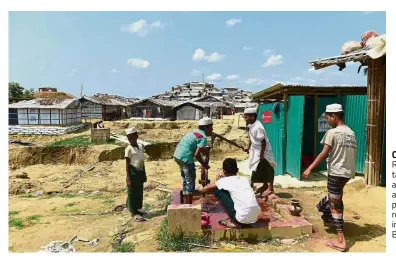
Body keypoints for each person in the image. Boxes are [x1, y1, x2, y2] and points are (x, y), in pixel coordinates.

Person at [302, 103, 357, 252]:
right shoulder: (351, 132)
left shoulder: (333, 133)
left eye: (327, 118)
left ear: (334, 116)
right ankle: (330, 219)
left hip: (336, 172)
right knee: (335, 198)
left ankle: (340, 240)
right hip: (347, 173)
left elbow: (323, 153)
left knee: (335, 204)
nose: (327, 121)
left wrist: (309, 169)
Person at [200, 158, 261, 228]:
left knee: (217, 190)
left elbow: (204, 189)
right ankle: (242, 218)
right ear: (237, 170)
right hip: (255, 217)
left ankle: (233, 222)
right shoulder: (245, 179)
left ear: (224, 171)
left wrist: (217, 180)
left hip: (241, 219)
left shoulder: (223, 181)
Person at [173, 117, 213, 204]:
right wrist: (204, 165)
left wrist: (204, 150)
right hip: (186, 157)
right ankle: (189, 206)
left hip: (178, 155)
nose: (212, 129)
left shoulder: (194, 133)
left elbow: (193, 145)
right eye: (211, 127)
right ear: (206, 128)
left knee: (186, 180)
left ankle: (185, 203)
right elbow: (196, 154)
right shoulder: (203, 138)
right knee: (190, 180)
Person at [243, 107, 277, 198]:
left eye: (246, 117)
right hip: (256, 151)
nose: (245, 119)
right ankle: (265, 185)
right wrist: (248, 147)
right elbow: (251, 137)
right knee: (258, 169)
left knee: (268, 168)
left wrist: (262, 154)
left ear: (252, 117)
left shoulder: (258, 127)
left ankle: (270, 188)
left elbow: (263, 141)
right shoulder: (250, 126)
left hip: (264, 151)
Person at [124, 127, 147, 222]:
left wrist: (144, 174)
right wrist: (128, 178)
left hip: (140, 171)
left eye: (132, 138)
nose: (130, 140)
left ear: (136, 136)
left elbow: (142, 160)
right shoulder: (128, 149)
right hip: (133, 172)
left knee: (139, 191)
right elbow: (127, 164)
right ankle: (133, 212)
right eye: (129, 138)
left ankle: (138, 208)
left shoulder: (141, 146)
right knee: (132, 192)